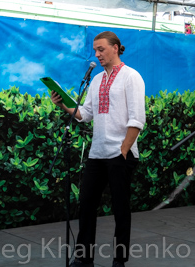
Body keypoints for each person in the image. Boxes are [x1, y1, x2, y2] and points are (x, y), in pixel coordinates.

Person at [51, 31, 146, 267]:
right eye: (95, 50)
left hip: (120, 154)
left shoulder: (131, 77)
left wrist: (124, 149)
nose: (97, 54)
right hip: (97, 153)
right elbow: (85, 114)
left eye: (101, 49)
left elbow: (137, 119)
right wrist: (62, 103)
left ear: (116, 48)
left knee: (120, 209)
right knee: (86, 205)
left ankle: (119, 260)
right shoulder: (96, 80)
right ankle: (84, 258)